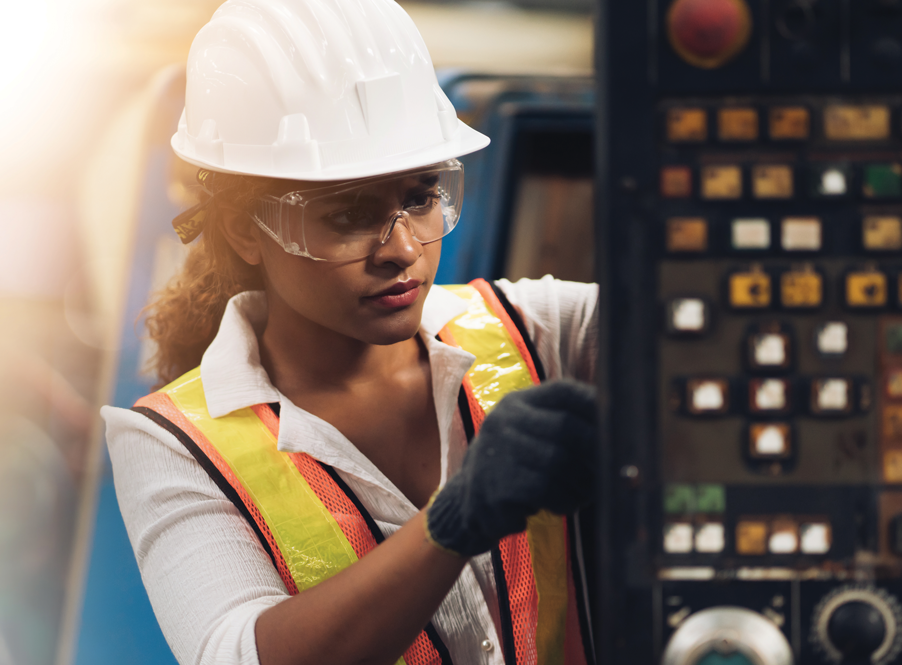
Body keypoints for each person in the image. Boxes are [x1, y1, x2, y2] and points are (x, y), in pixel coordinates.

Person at [101, 1, 600, 664]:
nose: (401, 248)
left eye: (421, 196)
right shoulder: (174, 444)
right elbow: (237, 654)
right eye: (347, 216)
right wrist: (452, 522)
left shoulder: (538, 330)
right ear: (247, 229)